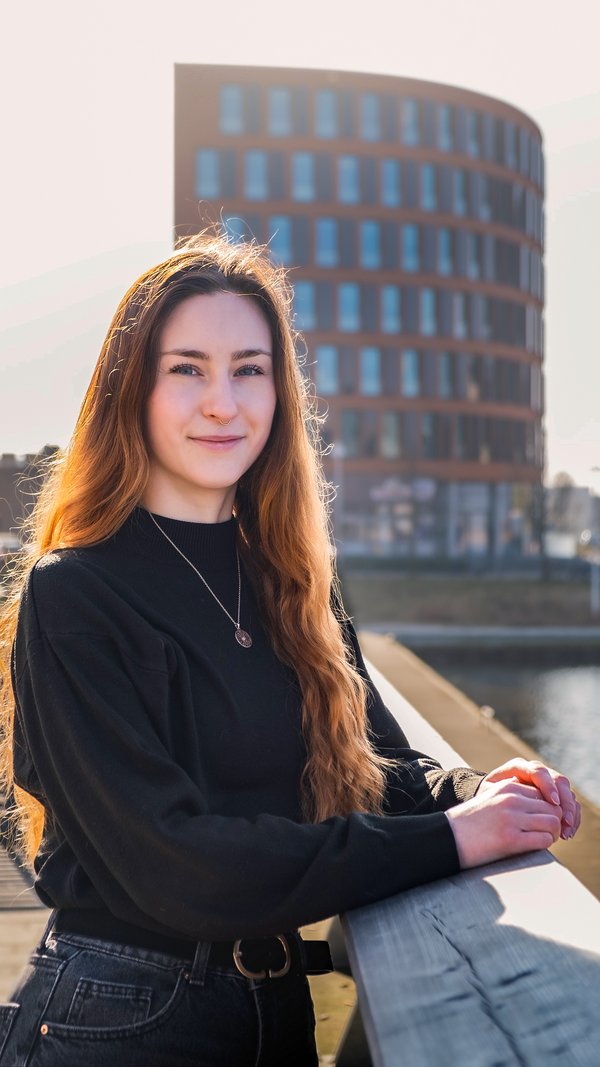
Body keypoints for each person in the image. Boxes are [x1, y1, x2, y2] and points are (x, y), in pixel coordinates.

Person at [0, 234, 580, 1067]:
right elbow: (182, 864)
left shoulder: (293, 581)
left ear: (280, 391)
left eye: (249, 368)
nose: (223, 403)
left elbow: (377, 772)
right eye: (186, 368)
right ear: (132, 389)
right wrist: (457, 837)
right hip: (117, 1018)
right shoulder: (76, 593)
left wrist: (484, 791)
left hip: (273, 1007)